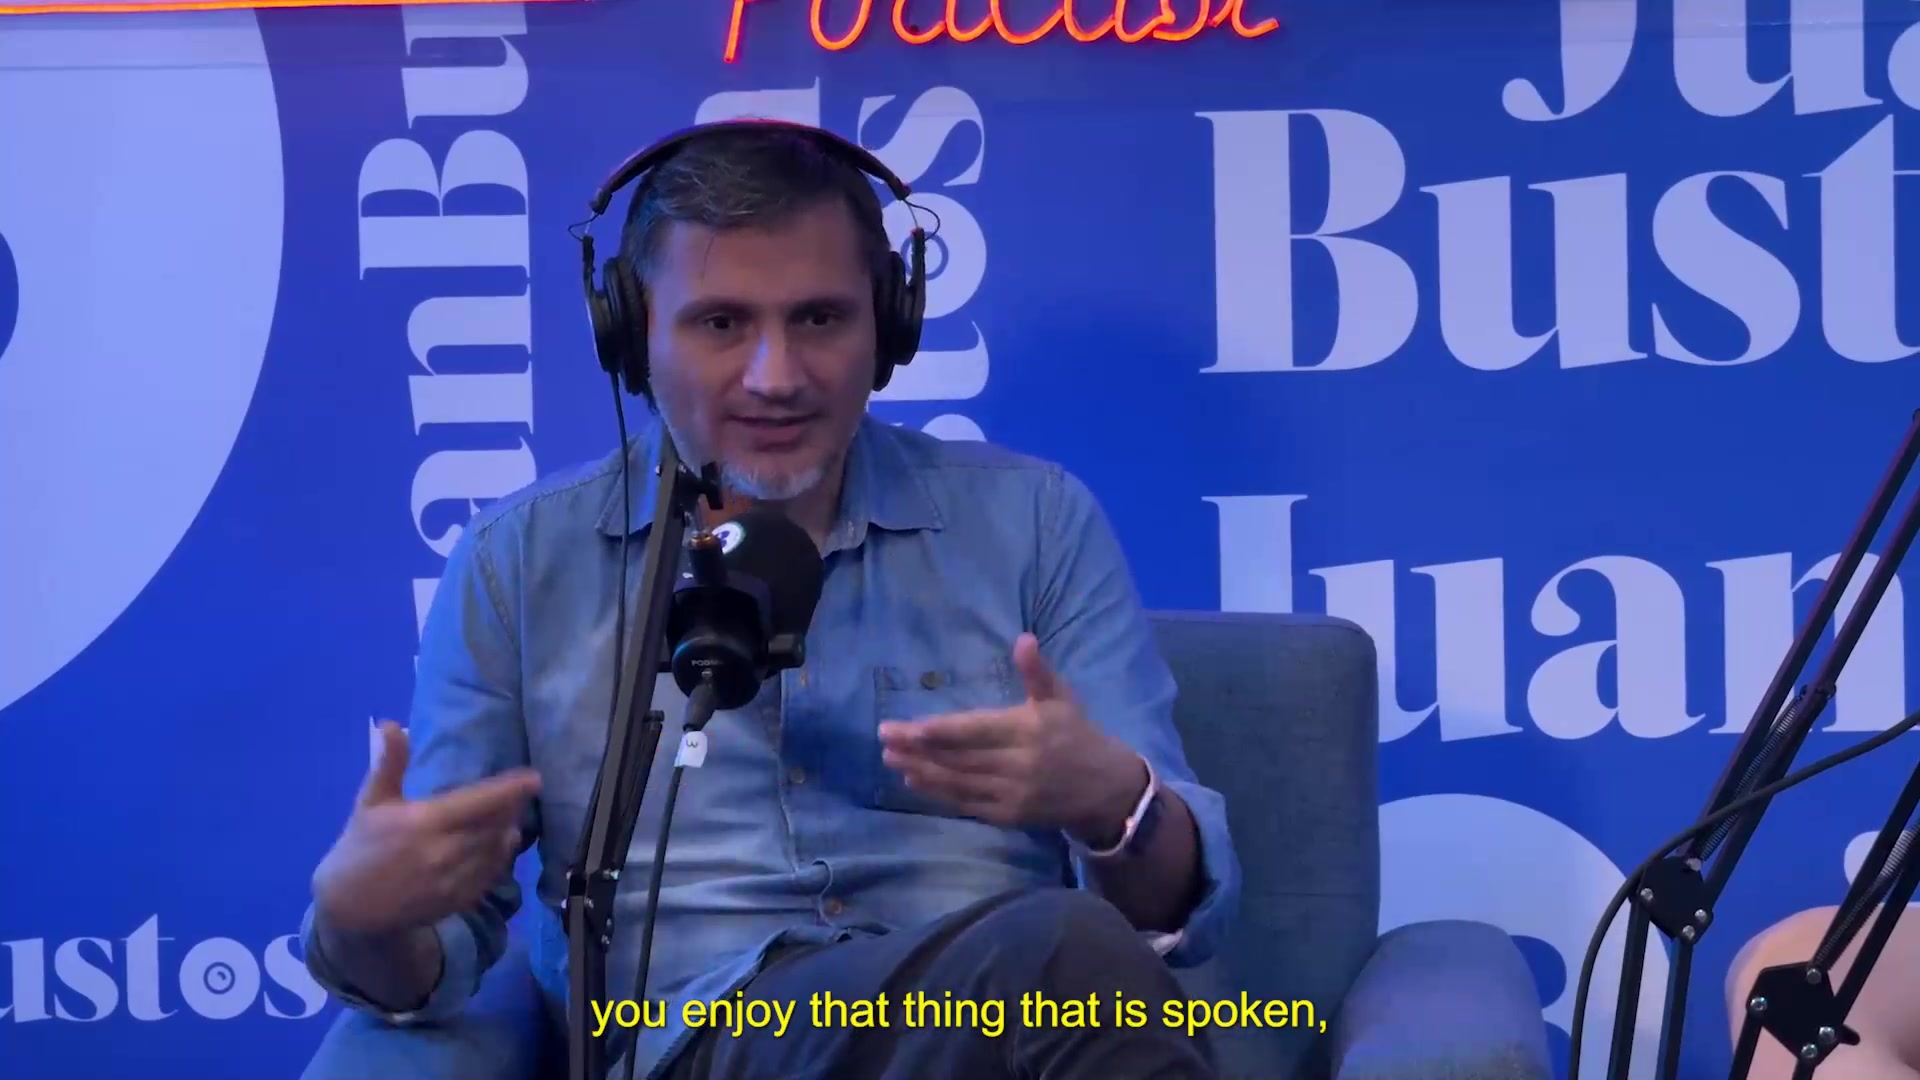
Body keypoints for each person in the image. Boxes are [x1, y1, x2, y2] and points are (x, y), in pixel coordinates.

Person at [298, 119, 1241, 1080]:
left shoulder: (1036, 523)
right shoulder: (520, 564)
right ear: (631, 333)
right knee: (1064, 957)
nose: (776, 377)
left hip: (999, 1037)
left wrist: (1114, 806)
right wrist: (362, 918)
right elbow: (435, 959)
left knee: (1075, 961)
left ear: (890, 325)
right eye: (721, 324)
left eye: (820, 319)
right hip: (703, 1048)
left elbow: (1180, 916)